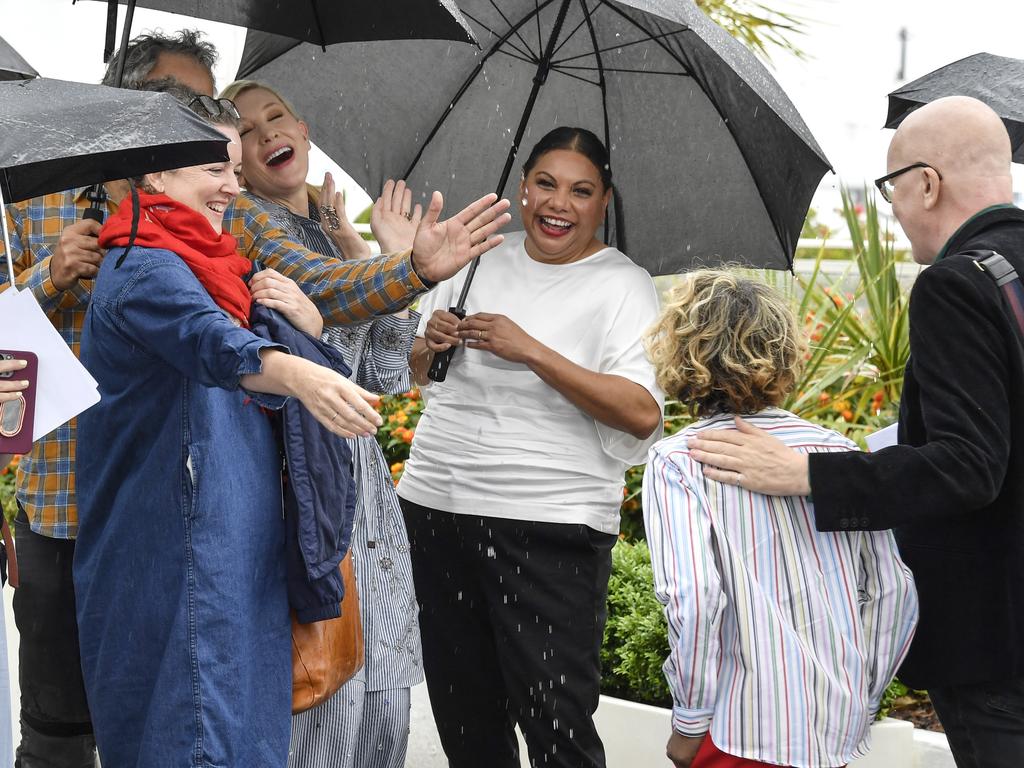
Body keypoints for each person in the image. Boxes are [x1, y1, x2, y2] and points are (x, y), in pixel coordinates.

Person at [1, 30, 509, 767]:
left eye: (210, 122)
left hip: (196, 517)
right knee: (65, 731)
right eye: (174, 105)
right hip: (72, 502)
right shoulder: (67, 217)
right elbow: (208, 341)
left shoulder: (216, 224)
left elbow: (321, 293)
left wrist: (405, 270)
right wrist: (49, 277)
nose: (228, 176)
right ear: (133, 118)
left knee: (189, 716)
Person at [686, 95, 1024, 768]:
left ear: (926, 183)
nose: (893, 212)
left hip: (997, 638)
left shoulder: (956, 284)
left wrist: (807, 474)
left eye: (891, 187)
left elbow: (968, 465)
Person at [397, 126, 664, 768]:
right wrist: (429, 345)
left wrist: (533, 352)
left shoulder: (623, 285)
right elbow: (413, 375)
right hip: (436, 509)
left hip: (551, 528)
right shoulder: (478, 259)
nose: (559, 203)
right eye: (545, 183)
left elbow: (640, 412)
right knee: (466, 723)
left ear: (604, 202)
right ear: (522, 189)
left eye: (581, 190)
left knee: (557, 725)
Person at [223, 78, 424, 768]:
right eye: (245, 130)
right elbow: (294, 382)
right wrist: (401, 269)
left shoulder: (335, 242)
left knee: (385, 725)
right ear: (235, 162)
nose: (265, 133)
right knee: (322, 719)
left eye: (275, 117)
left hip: (372, 504)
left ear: (304, 131)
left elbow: (388, 377)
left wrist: (376, 253)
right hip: (315, 497)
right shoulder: (247, 242)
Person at [642, 270, 918, 768]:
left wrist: (689, 721)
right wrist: (862, 695)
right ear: (785, 352)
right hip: (833, 726)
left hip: (735, 729)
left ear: (681, 352)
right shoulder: (837, 452)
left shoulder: (680, 460)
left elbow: (696, 600)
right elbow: (892, 591)